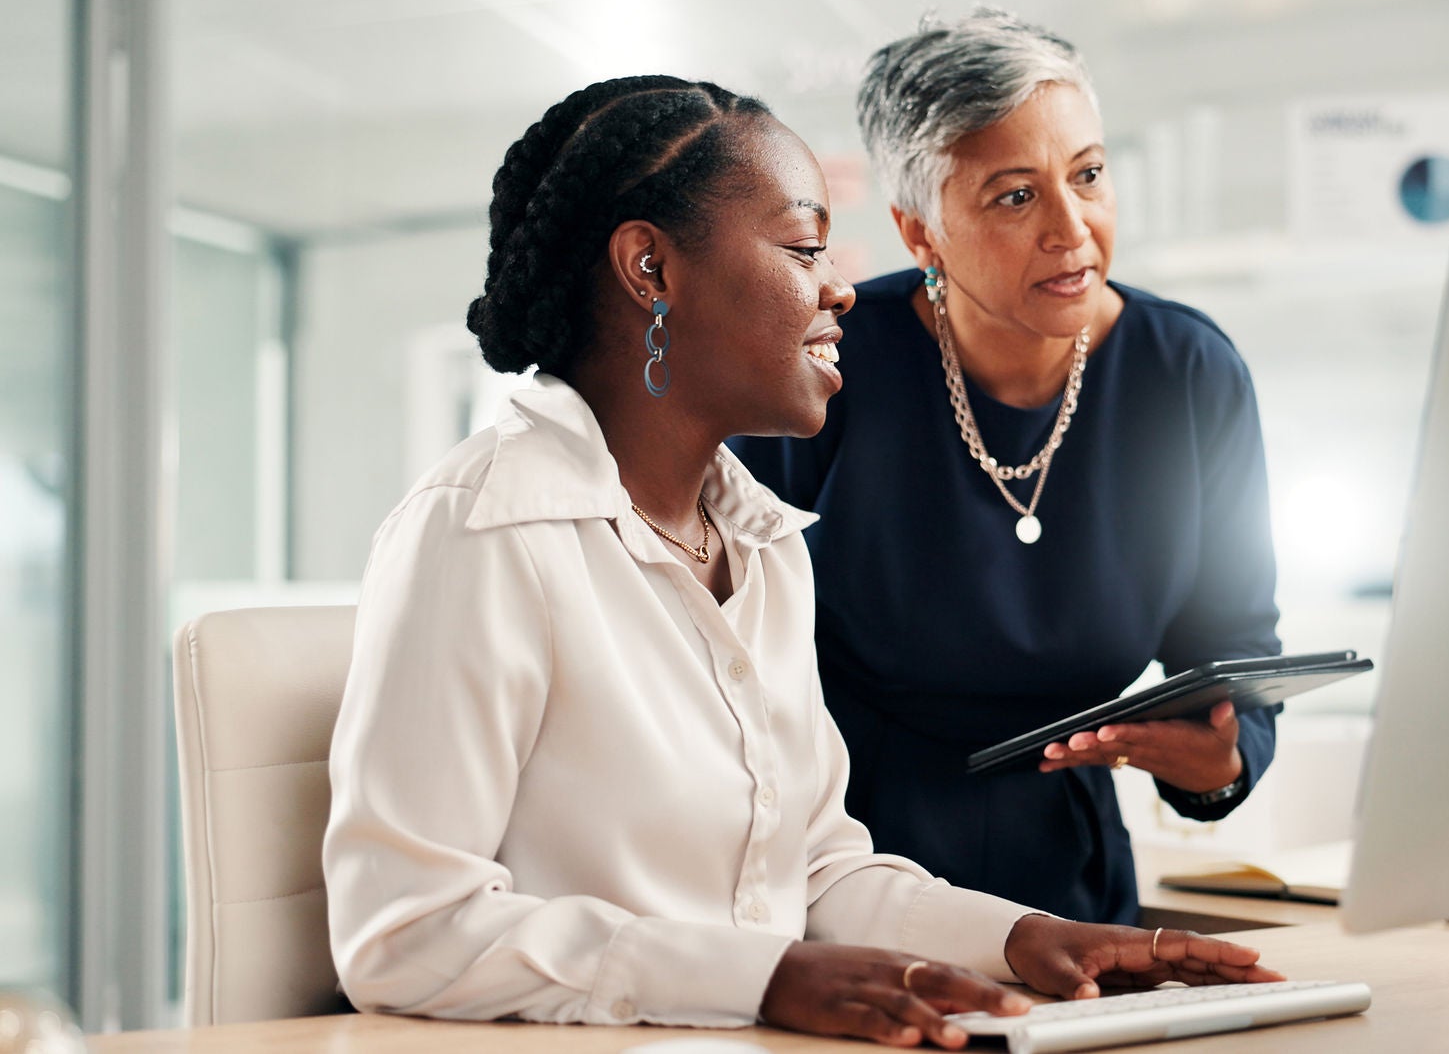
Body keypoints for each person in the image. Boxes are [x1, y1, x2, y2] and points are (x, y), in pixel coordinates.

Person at [321, 76, 1279, 1045]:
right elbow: (405, 932)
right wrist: (763, 978)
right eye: (802, 249)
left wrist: (1026, 938)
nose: (839, 290)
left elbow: (816, 870)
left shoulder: (764, 541)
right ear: (649, 269)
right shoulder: (484, 530)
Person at [733, 11, 1283, 926]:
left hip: (1073, 879)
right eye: (1015, 196)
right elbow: (724, 652)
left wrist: (1222, 762)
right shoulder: (825, 363)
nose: (1074, 229)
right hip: (845, 872)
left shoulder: (1188, 373)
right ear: (921, 232)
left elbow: (1235, 653)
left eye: (1090, 175)